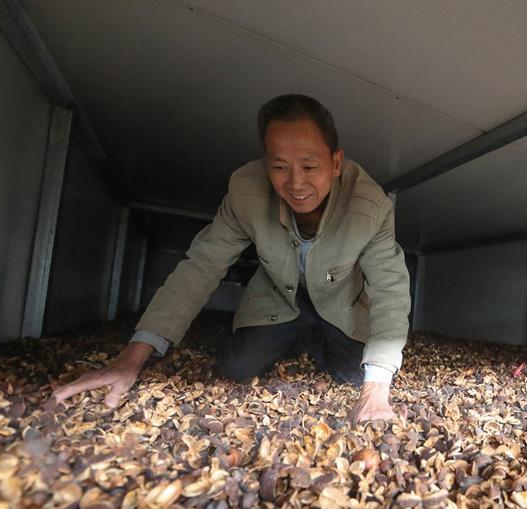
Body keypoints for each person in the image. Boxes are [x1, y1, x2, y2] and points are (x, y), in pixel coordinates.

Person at [50, 94, 411, 423]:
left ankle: (311, 338)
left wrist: (376, 391)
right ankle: (278, 334)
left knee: (355, 374)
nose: (296, 184)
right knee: (236, 367)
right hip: (278, 299)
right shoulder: (246, 191)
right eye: (280, 167)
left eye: (310, 167)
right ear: (265, 162)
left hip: (340, 303)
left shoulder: (371, 206)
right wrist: (131, 360)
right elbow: (202, 266)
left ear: (335, 163)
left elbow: (390, 290)